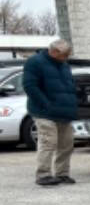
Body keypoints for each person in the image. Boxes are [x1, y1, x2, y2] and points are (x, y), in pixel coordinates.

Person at [23, 38, 78, 187]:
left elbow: (69, 86)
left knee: (67, 144)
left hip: (64, 112)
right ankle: (43, 174)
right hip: (44, 112)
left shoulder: (64, 65)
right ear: (53, 51)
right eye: (64, 55)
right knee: (48, 142)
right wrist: (45, 104)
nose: (66, 58)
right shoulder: (34, 62)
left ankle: (62, 174)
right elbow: (29, 86)